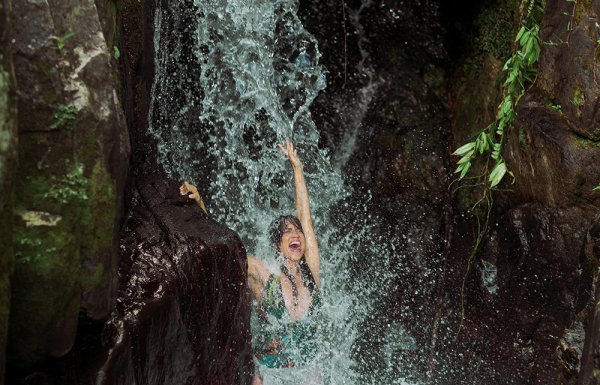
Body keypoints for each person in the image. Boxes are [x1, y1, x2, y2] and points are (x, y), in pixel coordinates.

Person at [180, 139, 322, 385]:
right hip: (271, 376)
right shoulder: (263, 275)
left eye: (296, 230)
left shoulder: (312, 272)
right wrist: (200, 207)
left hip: (309, 375)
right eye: (286, 231)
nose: (295, 234)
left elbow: (305, 216)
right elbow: (224, 252)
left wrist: (297, 168)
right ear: (278, 245)